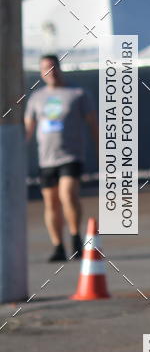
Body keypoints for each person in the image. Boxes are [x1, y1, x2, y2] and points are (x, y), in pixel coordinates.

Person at [25, 55, 98, 261]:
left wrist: (102, 150)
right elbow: (27, 129)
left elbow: (93, 124)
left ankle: (75, 237)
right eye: (45, 69)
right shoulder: (36, 98)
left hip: (71, 155)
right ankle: (58, 245)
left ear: (59, 68)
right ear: (41, 72)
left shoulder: (78, 93)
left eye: (53, 67)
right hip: (46, 158)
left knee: (68, 194)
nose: (50, 72)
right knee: (51, 203)